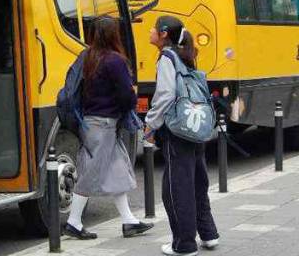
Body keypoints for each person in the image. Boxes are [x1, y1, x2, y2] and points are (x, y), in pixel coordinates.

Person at [64, 16, 153, 240]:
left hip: (91, 121)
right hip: (104, 124)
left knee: (117, 170)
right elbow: (126, 94)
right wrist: (130, 107)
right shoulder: (114, 60)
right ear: (114, 35)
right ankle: (73, 222)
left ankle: (129, 221)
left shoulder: (87, 57)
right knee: (90, 173)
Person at [144, 15, 219, 256]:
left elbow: (166, 94)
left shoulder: (166, 57)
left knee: (176, 188)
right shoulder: (183, 55)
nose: (150, 32)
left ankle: (184, 244)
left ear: (164, 33)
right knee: (197, 181)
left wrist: (150, 123)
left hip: (177, 130)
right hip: (193, 126)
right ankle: (208, 234)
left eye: (154, 29)